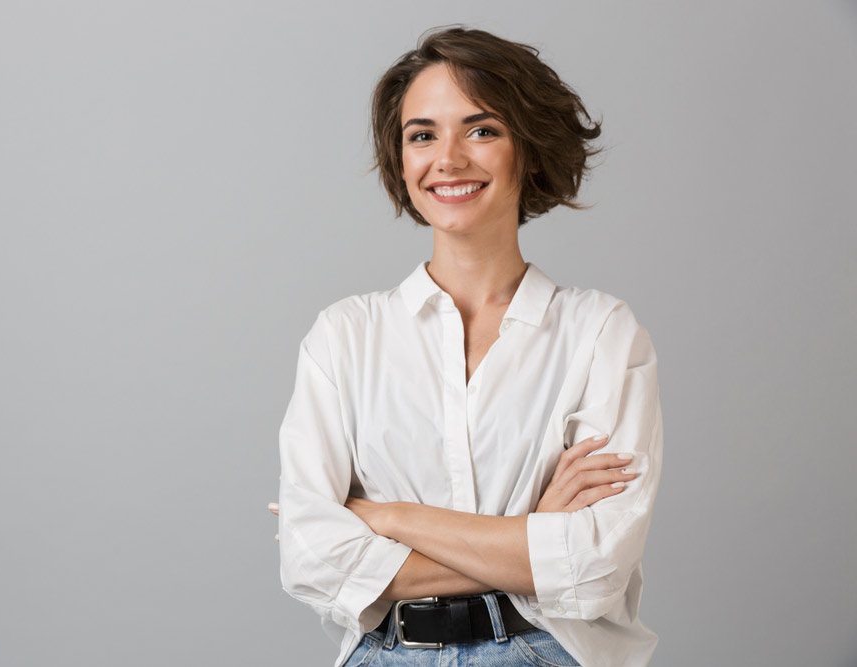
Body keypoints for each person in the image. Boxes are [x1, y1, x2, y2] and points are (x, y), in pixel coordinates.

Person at [272, 27, 663, 667]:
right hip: (383, 653)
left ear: (528, 150)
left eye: (482, 130)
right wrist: (532, 538)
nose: (448, 158)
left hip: (543, 653)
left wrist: (386, 516)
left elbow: (593, 566)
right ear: (401, 160)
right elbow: (312, 561)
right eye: (422, 135)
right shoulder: (343, 337)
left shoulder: (600, 333)